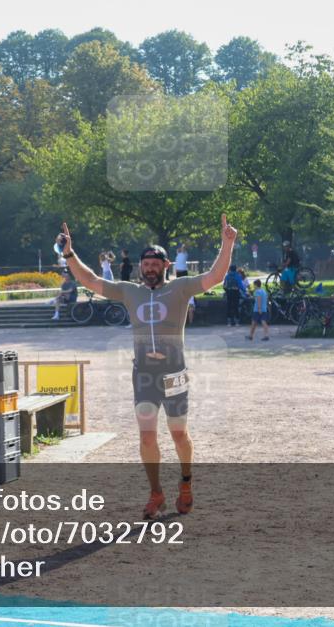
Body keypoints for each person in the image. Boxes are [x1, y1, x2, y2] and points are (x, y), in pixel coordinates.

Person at [59, 214, 238, 519]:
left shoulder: (180, 288)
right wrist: (69, 254)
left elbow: (215, 277)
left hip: (174, 372)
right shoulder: (130, 291)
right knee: (146, 436)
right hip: (143, 373)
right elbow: (90, 280)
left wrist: (227, 243)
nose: (150, 267)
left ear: (166, 266)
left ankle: (185, 482)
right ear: (140, 267)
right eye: (146, 263)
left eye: (156, 263)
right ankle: (156, 493)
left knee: (179, 434)